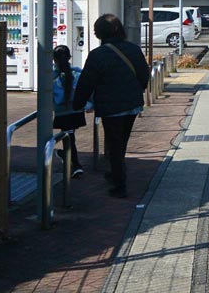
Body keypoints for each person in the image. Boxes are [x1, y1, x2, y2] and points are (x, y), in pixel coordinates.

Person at [73, 14, 149, 198]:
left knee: (114, 143)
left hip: (110, 106)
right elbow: (144, 76)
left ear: (100, 33)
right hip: (132, 104)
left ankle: (119, 184)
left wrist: (78, 103)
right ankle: (114, 172)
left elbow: (86, 82)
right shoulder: (133, 49)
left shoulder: (98, 55)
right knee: (120, 142)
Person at [52, 45, 88, 178]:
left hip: (62, 113)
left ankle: (76, 165)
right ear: (69, 58)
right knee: (70, 136)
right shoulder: (77, 73)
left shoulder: (51, 76)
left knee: (69, 137)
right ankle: (67, 156)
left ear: (54, 59)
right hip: (77, 111)